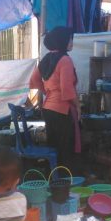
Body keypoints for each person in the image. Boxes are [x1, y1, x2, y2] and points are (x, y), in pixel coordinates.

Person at [29, 26, 81, 172]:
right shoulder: (65, 60)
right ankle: (65, 179)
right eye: (70, 39)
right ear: (62, 40)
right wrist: (78, 106)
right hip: (62, 110)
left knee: (54, 146)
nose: (71, 42)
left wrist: (49, 92)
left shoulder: (46, 59)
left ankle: (55, 177)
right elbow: (67, 90)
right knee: (65, 147)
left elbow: (34, 80)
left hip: (48, 109)